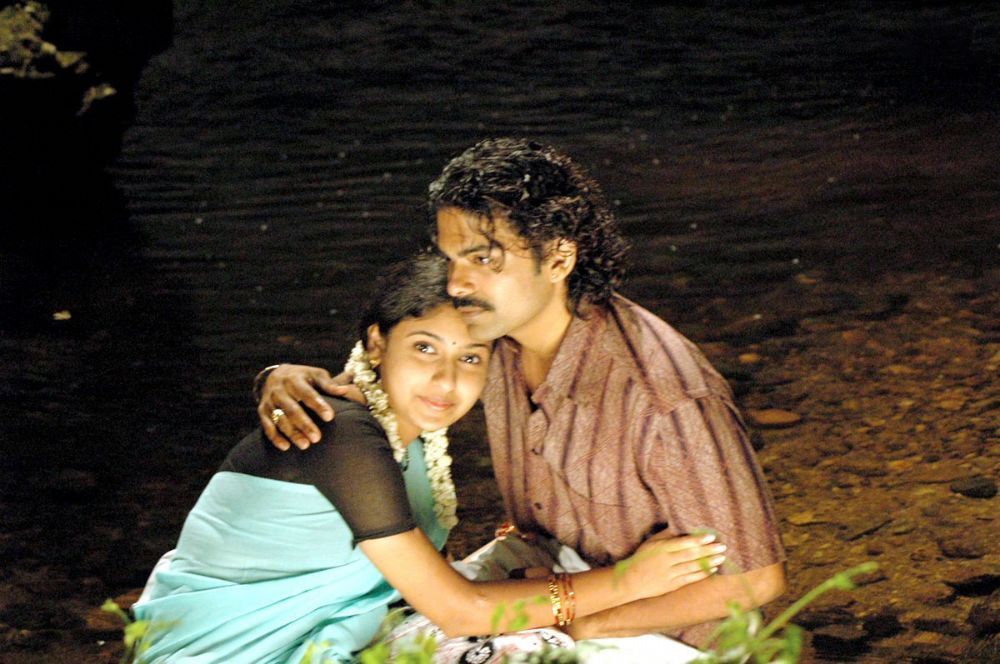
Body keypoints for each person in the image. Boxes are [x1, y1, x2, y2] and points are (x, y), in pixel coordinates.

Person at [256, 138, 786, 647]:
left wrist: (585, 627)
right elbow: (383, 378)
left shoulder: (664, 399)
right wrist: (280, 376)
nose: (457, 284)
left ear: (558, 259)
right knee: (362, 632)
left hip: (652, 633)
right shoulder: (491, 338)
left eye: (484, 259)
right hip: (544, 583)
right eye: (450, 259)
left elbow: (756, 581)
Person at [132, 253, 727, 663]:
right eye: (424, 348)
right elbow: (458, 610)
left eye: (470, 358)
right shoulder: (341, 434)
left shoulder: (409, 437)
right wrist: (626, 581)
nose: (447, 380)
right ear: (375, 342)